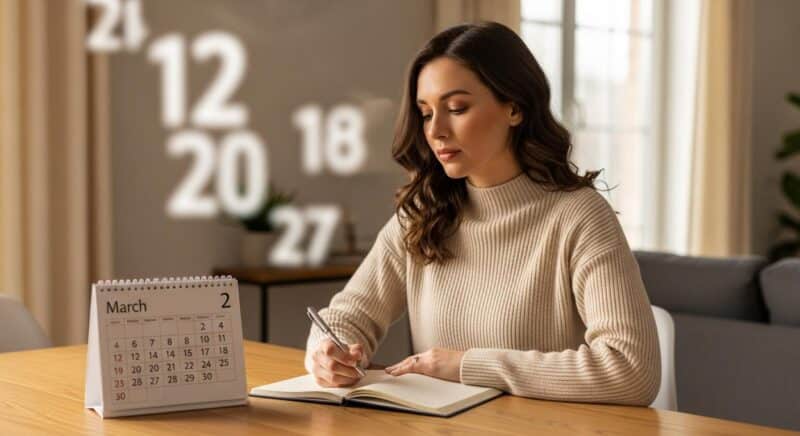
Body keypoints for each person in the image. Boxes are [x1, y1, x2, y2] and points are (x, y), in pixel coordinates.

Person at [304, 21, 660, 406]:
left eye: (456, 108)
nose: (436, 130)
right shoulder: (423, 214)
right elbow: (349, 314)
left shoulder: (580, 217)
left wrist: (467, 366)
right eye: (425, 113)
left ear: (514, 108)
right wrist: (328, 350)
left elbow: (631, 369)